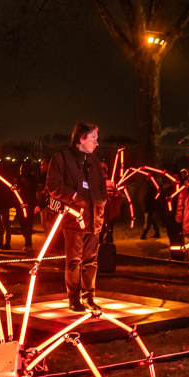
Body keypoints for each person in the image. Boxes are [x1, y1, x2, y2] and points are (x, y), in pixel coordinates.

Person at [46, 122, 109, 313]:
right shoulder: (61, 158)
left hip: (94, 218)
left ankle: (88, 296)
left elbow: (100, 186)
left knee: (91, 260)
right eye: (93, 138)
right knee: (74, 260)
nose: (97, 143)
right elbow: (53, 185)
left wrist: (101, 202)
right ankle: (74, 299)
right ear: (81, 139)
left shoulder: (94, 161)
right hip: (75, 219)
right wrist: (74, 196)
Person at [16, 162, 39, 251]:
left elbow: (34, 190)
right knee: (22, 223)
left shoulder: (33, 179)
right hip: (20, 204)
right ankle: (27, 238)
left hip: (29, 204)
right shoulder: (18, 178)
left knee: (28, 224)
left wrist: (27, 184)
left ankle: (28, 243)